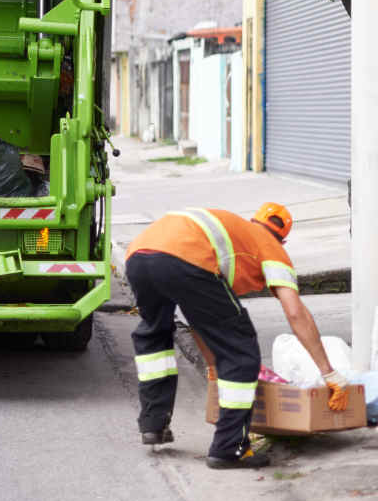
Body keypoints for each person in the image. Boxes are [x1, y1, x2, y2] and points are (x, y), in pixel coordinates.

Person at [123, 201, 349, 469]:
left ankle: (153, 423)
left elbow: (200, 316)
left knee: (154, 335)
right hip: (185, 260)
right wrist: (328, 373)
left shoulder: (236, 231)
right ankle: (230, 448)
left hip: (138, 255)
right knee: (241, 350)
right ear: (283, 240)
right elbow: (295, 312)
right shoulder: (272, 249)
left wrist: (212, 364)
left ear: (254, 221)